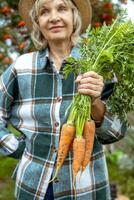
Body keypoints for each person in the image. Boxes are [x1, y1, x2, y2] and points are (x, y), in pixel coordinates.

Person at [0, 0, 127, 199]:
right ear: (37, 21)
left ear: (74, 17)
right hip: (33, 188)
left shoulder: (100, 66)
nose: (54, 17)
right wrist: (16, 147)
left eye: (62, 8)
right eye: (44, 12)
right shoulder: (21, 67)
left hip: (87, 187)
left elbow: (117, 132)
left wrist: (95, 102)